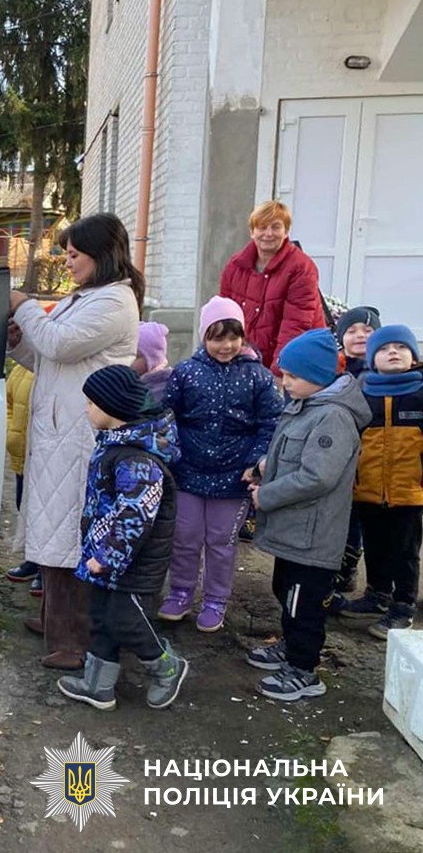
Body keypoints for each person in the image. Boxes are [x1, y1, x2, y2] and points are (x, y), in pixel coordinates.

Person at [7, 212, 142, 671]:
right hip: (59, 432)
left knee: (75, 534)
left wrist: (23, 306)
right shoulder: (86, 297)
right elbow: (49, 355)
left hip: (82, 435)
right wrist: (17, 342)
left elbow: (61, 344)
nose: (67, 262)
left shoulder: (115, 303)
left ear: (101, 256)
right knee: (54, 527)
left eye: (73, 254)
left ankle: (77, 640)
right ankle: (54, 619)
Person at [243, 329, 369, 701]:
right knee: (286, 590)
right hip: (296, 533)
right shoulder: (306, 405)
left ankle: (303, 669)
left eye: (293, 376)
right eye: (283, 374)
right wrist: (264, 466)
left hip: (314, 534)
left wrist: (267, 496)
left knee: (305, 602)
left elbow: (317, 476)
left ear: (318, 377)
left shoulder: (332, 417)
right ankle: (291, 644)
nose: (285, 382)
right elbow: (291, 452)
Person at [56, 365, 188, 711]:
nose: (85, 409)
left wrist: (108, 557)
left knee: (127, 621)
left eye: (90, 403)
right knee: (101, 618)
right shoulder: (116, 444)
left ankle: (167, 667)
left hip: (133, 564)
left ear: (111, 406)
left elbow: (135, 516)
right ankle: (98, 685)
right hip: (107, 558)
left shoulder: (136, 459)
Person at [158, 296, 283, 632]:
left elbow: (270, 422)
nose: (226, 345)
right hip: (188, 472)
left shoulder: (258, 376)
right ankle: (181, 592)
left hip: (233, 477)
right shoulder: (186, 372)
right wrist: (170, 451)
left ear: (243, 336)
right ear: (204, 337)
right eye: (217, 337)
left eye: (233, 336)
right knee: (184, 536)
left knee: (221, 541)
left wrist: (256, 461)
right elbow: (167, 413)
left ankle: (216, 599)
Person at [338, 325, 423, 638]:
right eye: (386, 349)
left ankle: (403, 607)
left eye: (402, 347)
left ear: (413, 356)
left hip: (409, 492)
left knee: (405, 552)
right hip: (368, 489)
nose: (394, 352)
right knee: (375, 546)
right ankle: (377, 594)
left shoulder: (420, 392)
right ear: (373, 358)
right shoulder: (360, 393)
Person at [219, 201, 326, 378]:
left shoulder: (302, 268)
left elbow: (295, 324)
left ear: (286, 232)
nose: (268, 234)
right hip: (246, 361)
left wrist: (278, 373)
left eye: (276, 227)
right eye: (262, 227)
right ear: (252, 231)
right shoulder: (235, 266)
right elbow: (224, 316)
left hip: (292, 365)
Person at [331, 305, 381, 599]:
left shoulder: (383, 370)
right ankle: (343, 569)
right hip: (343, 451)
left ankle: (354, 569)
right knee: (345, 514)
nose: (360, 336)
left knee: (364, 517)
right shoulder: (336, 369)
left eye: (368, 330)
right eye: (352, 331)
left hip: (373, 455)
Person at [4, 360, 40, 588]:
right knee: (24, 509)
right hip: (21, 460)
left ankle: (47, 572)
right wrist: (12, 435)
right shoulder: (20, 369)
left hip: (45, 460)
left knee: (46, 516)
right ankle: (32, 560)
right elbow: (8, 403)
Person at [133, 321, 172, 404]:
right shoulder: (137, 384)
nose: (129, 361)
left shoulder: (160, 389)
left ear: (152, 358)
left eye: (136, 357)